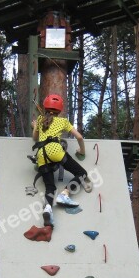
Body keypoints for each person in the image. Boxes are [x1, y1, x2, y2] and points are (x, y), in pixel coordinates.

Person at [32, 94, 92, 228]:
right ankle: (65, 194)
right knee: (82, 173)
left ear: (45, 107)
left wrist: (36, 126)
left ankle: (47, 208)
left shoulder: (41, 120)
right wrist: (82, 151)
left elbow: (35, 138)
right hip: (56, 151)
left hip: (41, 154)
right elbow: (79, 137)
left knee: (50, 187)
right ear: (60, 110)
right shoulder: (63, 121)